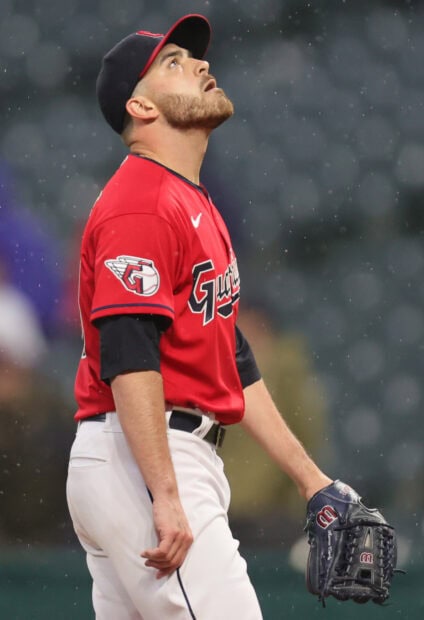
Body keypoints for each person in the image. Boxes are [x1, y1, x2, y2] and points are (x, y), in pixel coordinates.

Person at [66, 14, 332, 619]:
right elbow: (128, 351)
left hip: (156, 452)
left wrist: (310, 479)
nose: (201, 65)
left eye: (194, 58)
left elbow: (229, 358)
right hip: (148, 450)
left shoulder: (186, 198)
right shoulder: (142, 202)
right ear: (142, 105)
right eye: (174, 63)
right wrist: (163, 491)